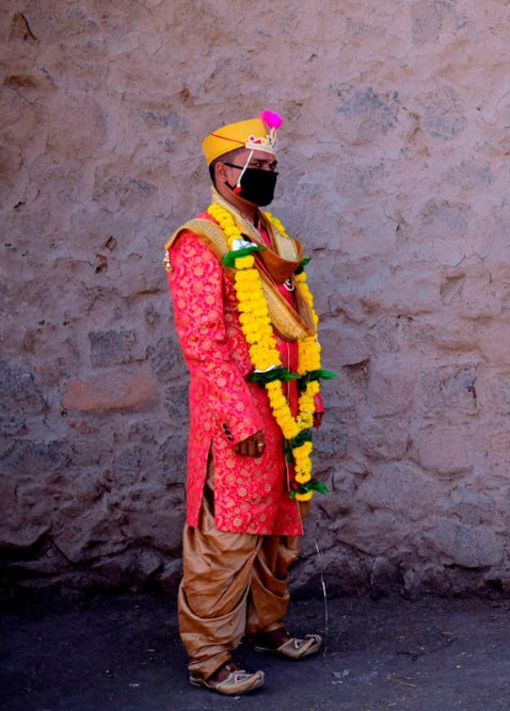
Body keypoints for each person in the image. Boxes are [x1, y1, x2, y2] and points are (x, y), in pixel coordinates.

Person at [164, 111, 331, 695]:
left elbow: (298, 323)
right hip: (235, 406)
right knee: (229, 527)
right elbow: (203, 344)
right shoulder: (199, 241)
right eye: (256, 167)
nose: (266, 175)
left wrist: (308, 393)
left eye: (273, 167)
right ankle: (210, 656)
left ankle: (265, 626)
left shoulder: (275, 236)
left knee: (283, 521)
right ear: (222, 170)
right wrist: (238, 413)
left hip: (286, 399)